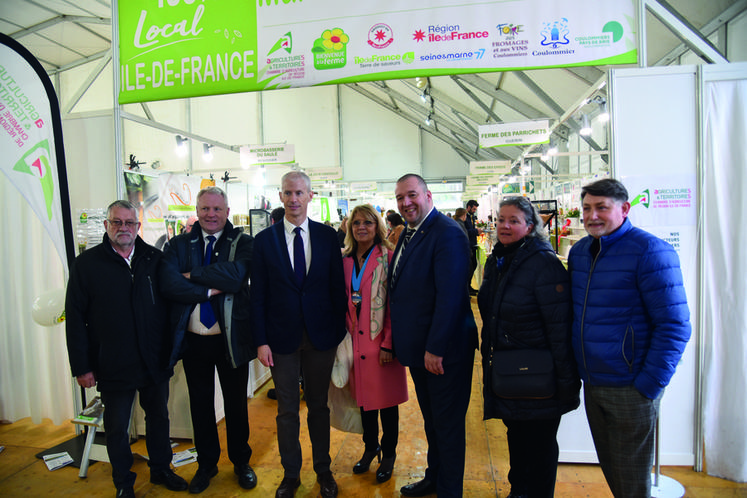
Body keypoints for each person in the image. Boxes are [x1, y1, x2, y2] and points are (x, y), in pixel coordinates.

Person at [568, 178, 691, 498]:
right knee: (613, 469)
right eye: (586, 209)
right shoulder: (580, 252)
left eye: (601, 208)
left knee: (632, 480)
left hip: (631, 386)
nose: (592, 216)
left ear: (624, 208)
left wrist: (649, 384)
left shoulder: (650, 251)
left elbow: (675, 325)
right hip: (594, 383)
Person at [65, 200, 188, 498]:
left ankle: (161, 469)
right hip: (112, 362)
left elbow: (173, 308)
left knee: (158, 418)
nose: (123, 228)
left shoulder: (155, 260)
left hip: (153, 360)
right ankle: (123, 482)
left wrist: (171, 352)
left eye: (129, 223)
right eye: (116, 222)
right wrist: (82, 367)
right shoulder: (87, 264)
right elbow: (75, 318)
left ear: (138, 227)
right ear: (107, 225)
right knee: (117, 426)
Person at [251, 171, 347, 498]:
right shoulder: (264, 241)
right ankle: (290, 474)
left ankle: (324, 471)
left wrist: (337, 331)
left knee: (319, 407)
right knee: (287, 410)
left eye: (299, 193)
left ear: (310, 196)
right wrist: (261, 340)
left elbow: (337, 288)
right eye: (288, 193)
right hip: (280, 340)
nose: (293, 199)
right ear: (280, 197)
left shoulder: (326, 236)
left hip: (321, 338)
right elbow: (259, 295)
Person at [478, 197, 580, 498]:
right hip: (512, 376)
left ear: (531, 226)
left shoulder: (543, 263)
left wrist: (566, 385)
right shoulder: (502, 259)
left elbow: (559, 329)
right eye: (501, 220)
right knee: (518, 442)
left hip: (539, 379)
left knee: (540, 448)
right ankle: (518, 492)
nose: (504, 226)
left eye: (513, 221)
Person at [159, 186, 256, 494]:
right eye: (205, 209)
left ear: (227, 211)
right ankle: (207, 464)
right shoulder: (178, 244)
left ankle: (241, 462)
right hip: (194, 341)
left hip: (231, 339)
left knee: (236, 405)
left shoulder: (243, 242)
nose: (211, 215)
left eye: (217, 209)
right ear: (197, 211)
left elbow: (236, 277)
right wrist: (207, 289)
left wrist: (194, 274)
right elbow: (170, 284)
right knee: (200, 405)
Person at [388, 174, 478, 498]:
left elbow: (451, 296)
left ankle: (449, 491)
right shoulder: (412, 233)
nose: (405, 203)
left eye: (411, 195)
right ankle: (435, 477)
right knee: (433, 422)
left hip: (443, 352)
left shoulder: (447, 233)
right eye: (400, 198)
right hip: (422, 350)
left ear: (427, 194)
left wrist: (436, 348)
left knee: (448, 425)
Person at [342, 204, 408, 484]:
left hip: (381, 344)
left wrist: (389, 343)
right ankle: (371, 448)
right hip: (355, 343)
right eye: (356, 223)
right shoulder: (343, 260)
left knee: (387, 404)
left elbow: (396, 304)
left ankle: (389, 455)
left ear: (376, 225)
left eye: (367, 223)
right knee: (365, 403)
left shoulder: (388, 258)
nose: (361, 228)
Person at [465, 200, 481, 295]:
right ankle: (468, 287)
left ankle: (469, 286)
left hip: (473, 244)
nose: (475, 210)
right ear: (469, 207)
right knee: (471, 266)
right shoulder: (465, 218)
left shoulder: (472, 217)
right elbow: (465, 231)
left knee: (474, 265)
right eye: (474, 209)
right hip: (468, 245)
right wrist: (476, 231)